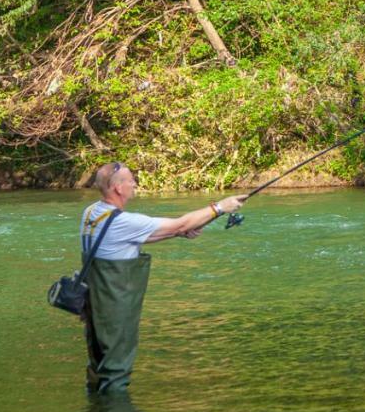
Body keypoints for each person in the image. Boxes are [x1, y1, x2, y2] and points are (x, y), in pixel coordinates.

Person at [80, 161, 244, 393]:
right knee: (116, 371)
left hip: (94, 306)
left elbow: (138, 237)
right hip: (116, 309)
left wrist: (178, 233)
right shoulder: (124, 222)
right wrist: (220, 207)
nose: (135, 183)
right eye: (130, 180)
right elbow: (180, 224)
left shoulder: (91, 213)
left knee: (99, 367)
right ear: (118, 188)